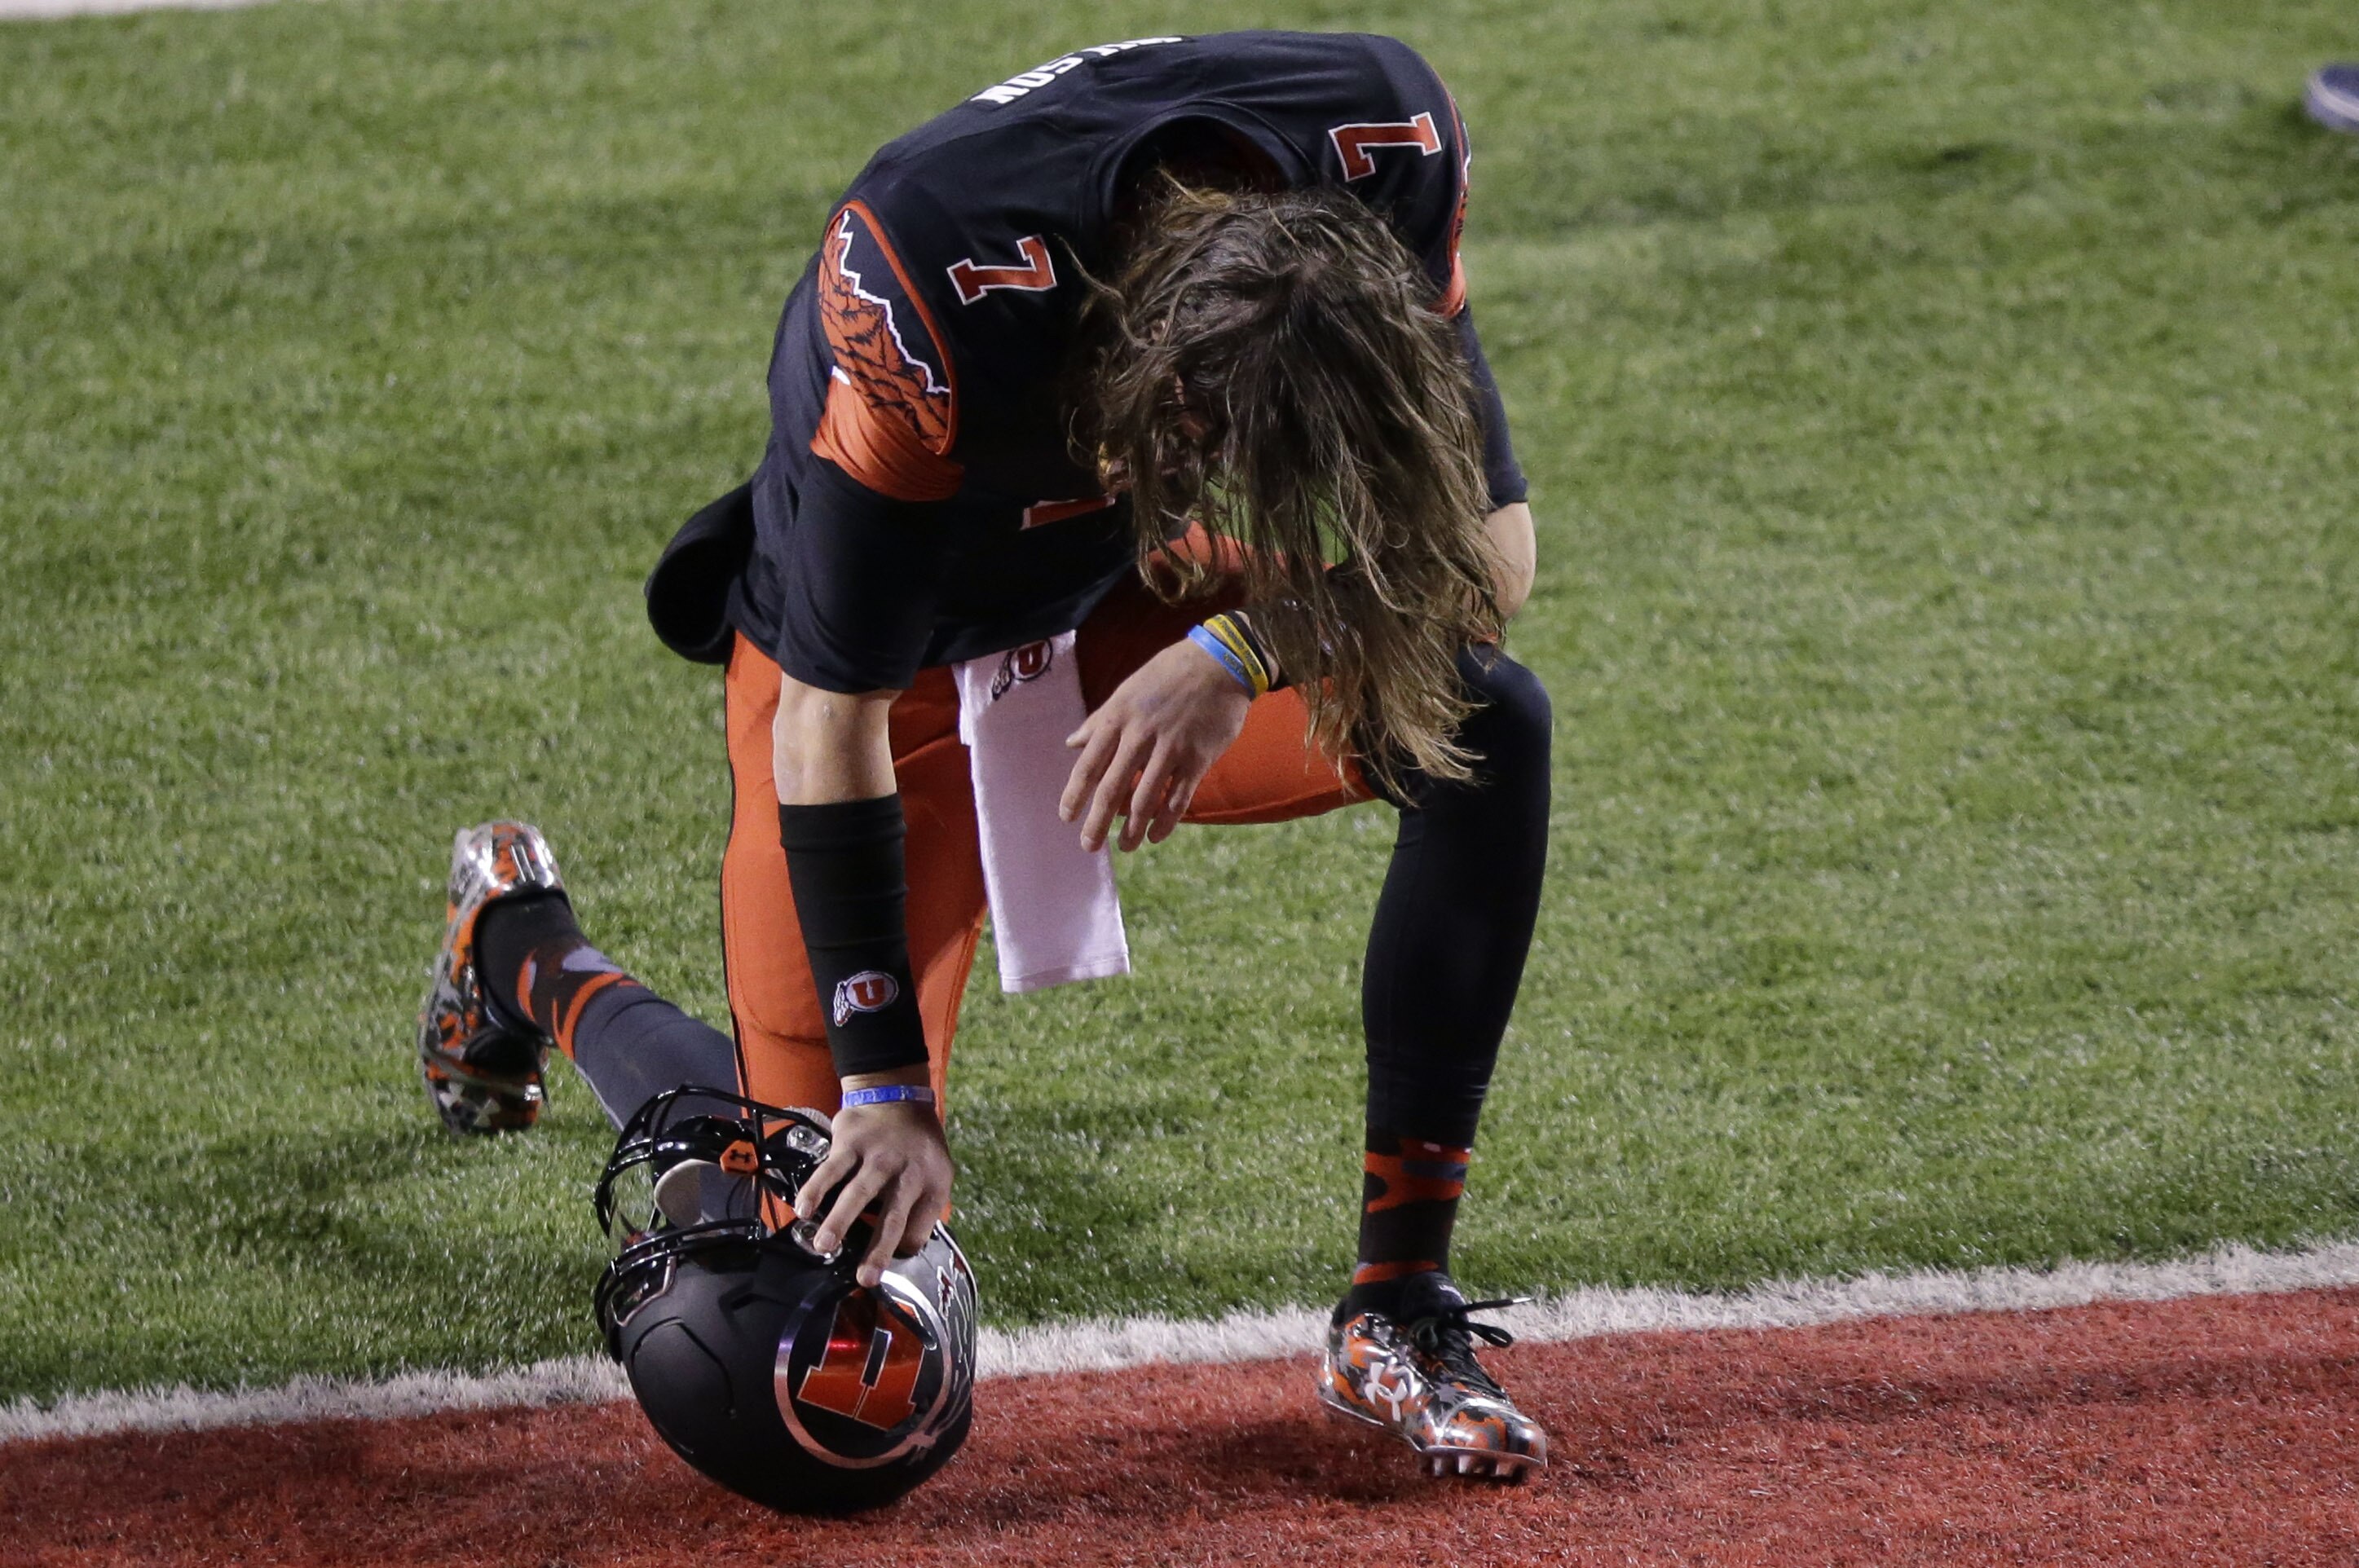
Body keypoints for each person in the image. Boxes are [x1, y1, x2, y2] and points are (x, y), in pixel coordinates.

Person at [416, 29, 1552, 1481]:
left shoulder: (1378, 146)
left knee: (1481, 719)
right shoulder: (931, 274)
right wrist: (884, 1092)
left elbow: (1485, 562)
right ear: (1153, 381)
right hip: (886, 677)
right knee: (808, 1359)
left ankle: (1397, 1311)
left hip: (1123, 600)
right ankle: (519, 941)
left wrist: (1238, 650)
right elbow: (827, 720)